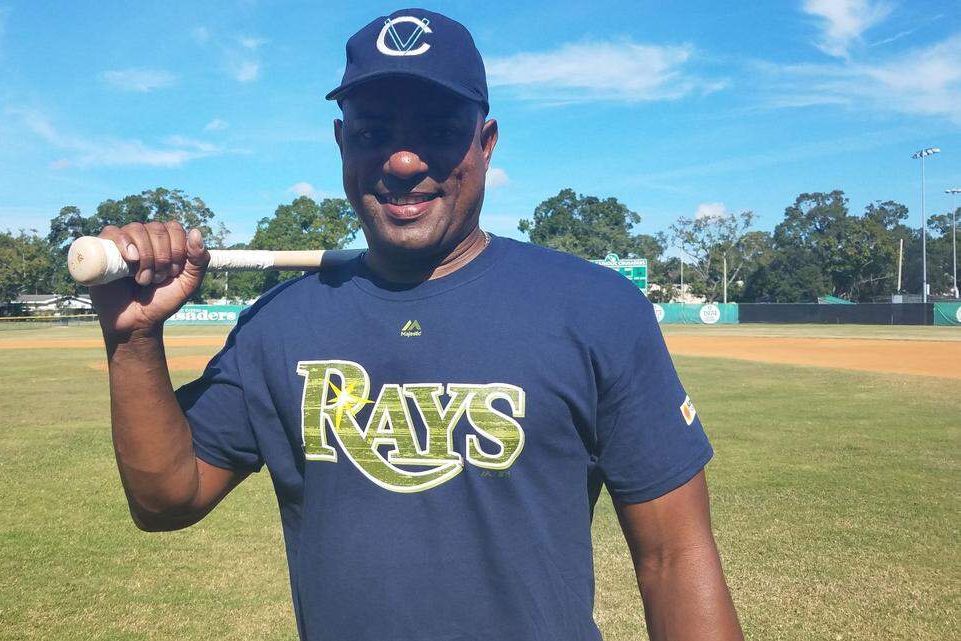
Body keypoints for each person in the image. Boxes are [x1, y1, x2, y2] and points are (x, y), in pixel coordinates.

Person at [88, 8, 743, 641]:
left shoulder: (595, 309)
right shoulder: (280, 324)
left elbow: (674, 556)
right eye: (374, 132)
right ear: (343, 144)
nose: (402, 162)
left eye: (436, 129)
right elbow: (166, 499)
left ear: (486, 145)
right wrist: (134, 338)